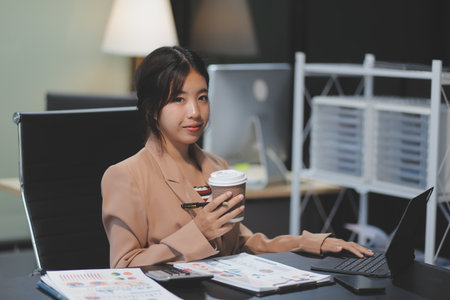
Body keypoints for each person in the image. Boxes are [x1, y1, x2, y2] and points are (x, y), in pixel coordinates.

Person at [101, 46, 373, 268]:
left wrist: (311, 244)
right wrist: (199, 232)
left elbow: (242, 244)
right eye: (179, 99)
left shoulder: (217, 167)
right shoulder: (126, 176)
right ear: (151, 108)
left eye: (203, 97)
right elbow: (124, 267)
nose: (195, 111)